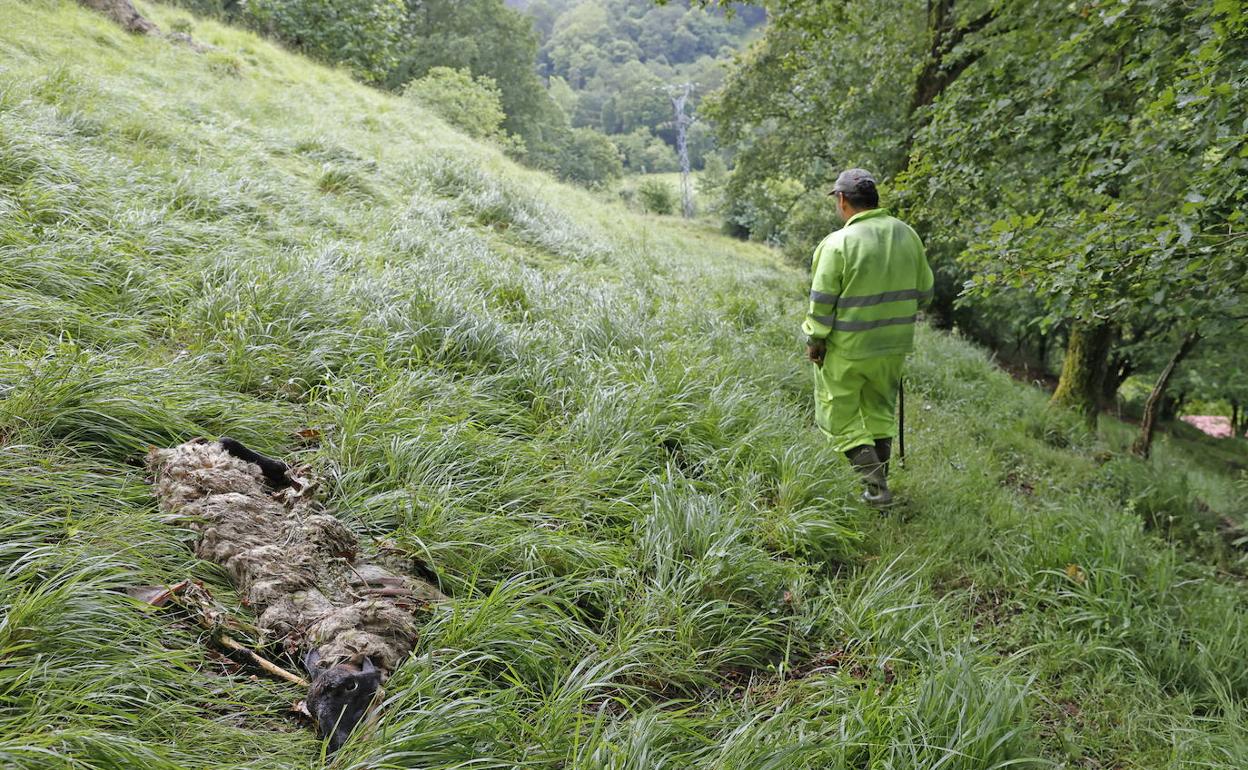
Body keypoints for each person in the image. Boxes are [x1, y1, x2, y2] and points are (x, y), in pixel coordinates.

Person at [804, 169, 933, 507]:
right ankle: (879, 488)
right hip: (894, 348)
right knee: (879, 412)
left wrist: (815, 341)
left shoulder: (838, 244)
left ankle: (876, 490)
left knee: (838, 417)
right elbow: (925, 293)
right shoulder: (908, 235)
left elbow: (821, 305)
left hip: (848, 349)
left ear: (842, 200)